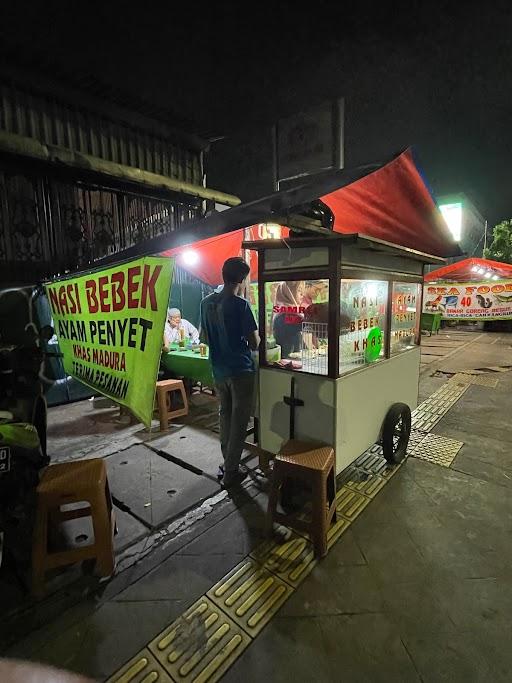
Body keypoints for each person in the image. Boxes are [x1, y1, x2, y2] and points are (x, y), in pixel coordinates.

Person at [200, 257, 259, 488]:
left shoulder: (206, 303)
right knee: (239, 423)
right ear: (243, 279)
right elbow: (254, 343)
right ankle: (231, 472)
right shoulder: (241, 305)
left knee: (224, 417)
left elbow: (204, 337)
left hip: (219, 370)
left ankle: (228, 462)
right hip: (241, 371)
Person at [272, 281, 305, 358]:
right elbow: (305, 325)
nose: (302, 295)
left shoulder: (281, 310)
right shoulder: (287, 313)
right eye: (299, 291)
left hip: (290, 358)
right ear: (289, 293)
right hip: (287, 362)